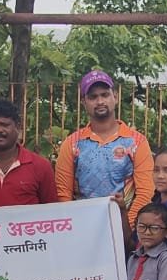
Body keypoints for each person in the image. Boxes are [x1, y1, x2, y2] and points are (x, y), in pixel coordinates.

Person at [56, 69, 154, 227]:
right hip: (83, 227)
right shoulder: (72, 143)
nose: (100, 101)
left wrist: (127, 228)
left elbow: (145, 193)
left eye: (105, 95)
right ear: (84, 102)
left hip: (124, 228)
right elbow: (63, 193)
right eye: (93, 97)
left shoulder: (137, 142)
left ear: (115, 96)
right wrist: (73, 227)